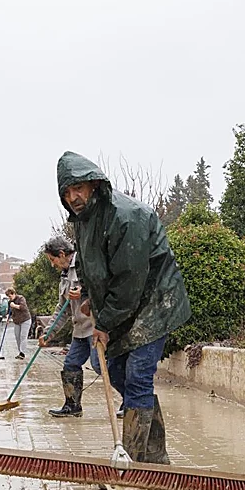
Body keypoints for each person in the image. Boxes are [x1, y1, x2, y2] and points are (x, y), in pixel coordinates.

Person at [56, 151, 191, 463]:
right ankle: (155, 454)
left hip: (154, 301)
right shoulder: (84, 221)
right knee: (111, 367)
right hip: (124, 305)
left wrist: (103, 323)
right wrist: (90, 296)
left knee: (138, 374)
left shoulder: (126, 216)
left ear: (93, 185)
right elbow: (91, 267)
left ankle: (131, 459)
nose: (73, 197)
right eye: (67, 191)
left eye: (78, 188)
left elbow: (129, 280)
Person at [37, 235, 103, 418]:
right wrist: (48, 333)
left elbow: (103, 285)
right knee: (71, 364)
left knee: (100, 365)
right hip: (80, 330)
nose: (52, 264)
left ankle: (130, 401)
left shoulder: (84, 263)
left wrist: (84, 292)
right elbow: (62, 309)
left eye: (52, 260)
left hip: (96, 326)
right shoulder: (65, 275)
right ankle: (72, 406)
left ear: (61, 254)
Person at [5, 287, 31, 358]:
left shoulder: (21, 298)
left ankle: (22, 353)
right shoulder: (9, 302)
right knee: (17, 337)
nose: (9, 298)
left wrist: (15, 306)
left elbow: (23, 307)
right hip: (17, 321)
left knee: (23, 336)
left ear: (13, 294)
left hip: (25, 320)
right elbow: (9, 312)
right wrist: (8, 318)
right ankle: (20, 352)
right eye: (8, 297)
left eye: (10, 296)